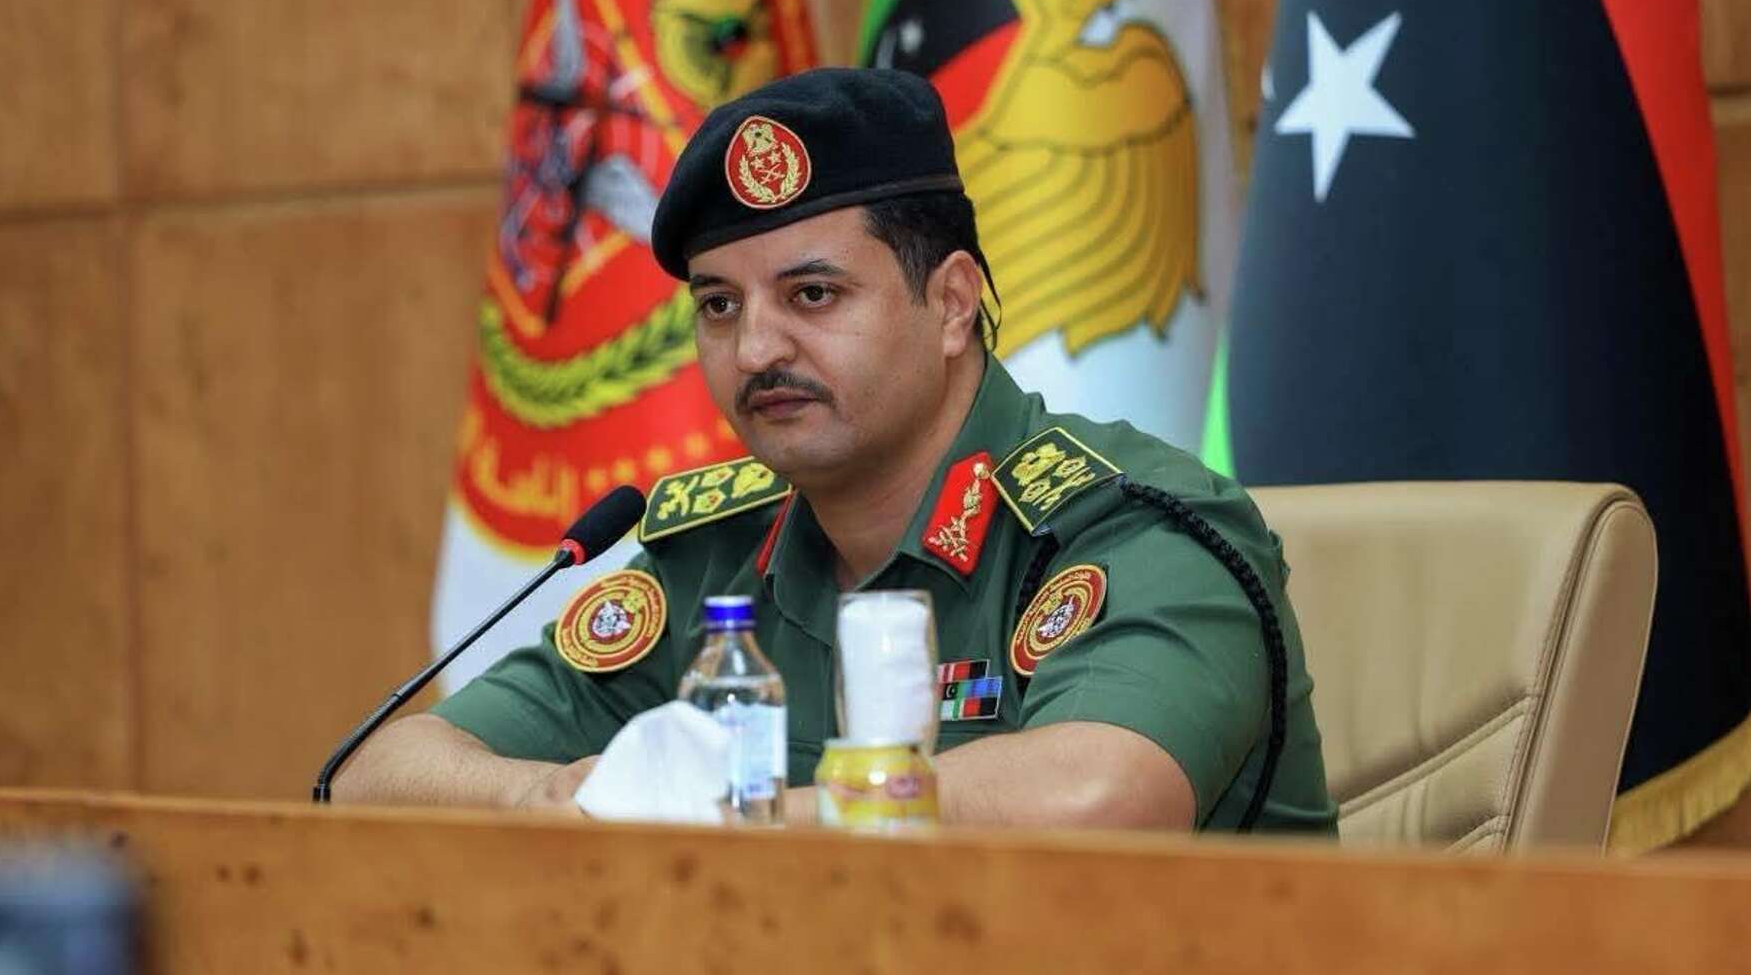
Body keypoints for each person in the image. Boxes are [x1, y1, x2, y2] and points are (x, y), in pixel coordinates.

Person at [336, 68, 1336, 831]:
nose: (755, 349)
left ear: (951, 303)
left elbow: (1099, 796)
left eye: (812, 295)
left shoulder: (1130, 528)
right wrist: (549, 799)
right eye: (718, 306)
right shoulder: (714, 560)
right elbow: (376, 776)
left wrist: (744, 818)